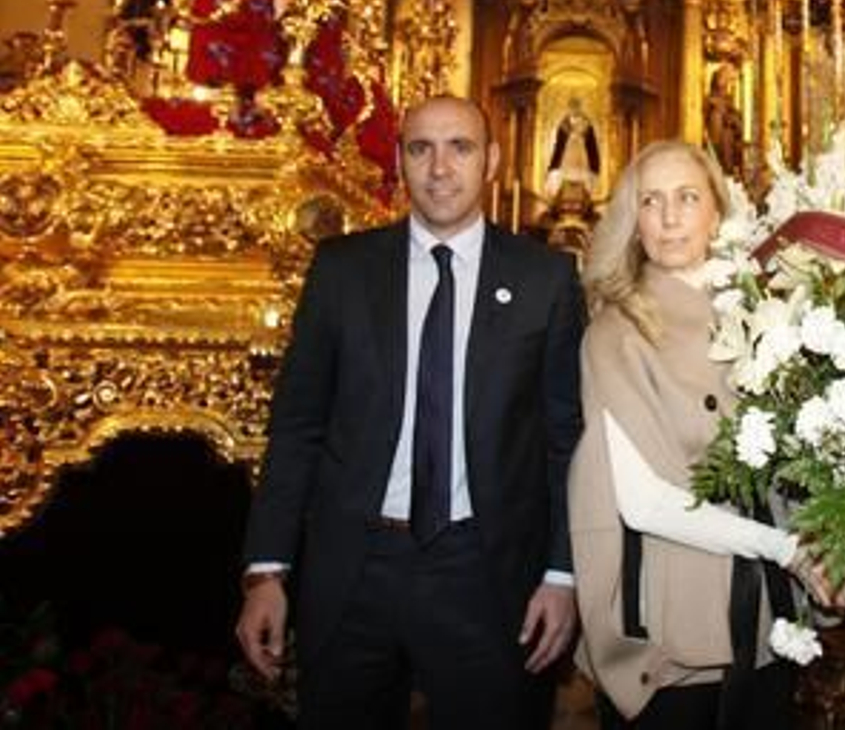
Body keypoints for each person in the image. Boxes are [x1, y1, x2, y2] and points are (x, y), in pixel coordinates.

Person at [234, 95, 584, 729]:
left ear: (492, 161)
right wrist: (266, 571)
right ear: (400, 162)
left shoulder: (546, 280)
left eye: (460, 148)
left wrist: (562, 574)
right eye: (421, 149)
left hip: (487, 573)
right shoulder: (341, 270)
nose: (440, 168)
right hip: (355, 566)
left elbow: (565, 439)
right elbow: (298, 428)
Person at [569, 140, 820, 729]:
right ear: (634, 223)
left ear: (716, 211)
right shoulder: (616, 332)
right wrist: (786, 549)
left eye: (686, 197)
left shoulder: (765, 311)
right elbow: (643, 501)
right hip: (676, 620)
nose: (669, 216)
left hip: (770, 614)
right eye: (651, 201)